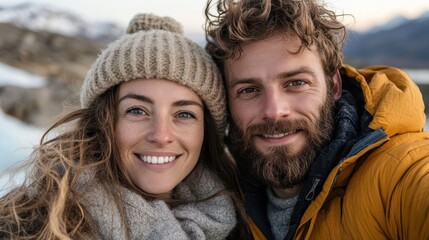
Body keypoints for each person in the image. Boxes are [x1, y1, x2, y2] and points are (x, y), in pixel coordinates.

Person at [0, 13, 244, 239]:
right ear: (102, 121)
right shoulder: (27, 224)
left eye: (184, 114)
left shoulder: (242, 216)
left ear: (207, 130)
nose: (161, 135)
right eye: (137, 111)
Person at [204, 0, 429, 239]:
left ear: (333, 86)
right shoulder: (219, 198)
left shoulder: (398, 174)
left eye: (296, 83)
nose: (274, 110)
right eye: (248, 90)